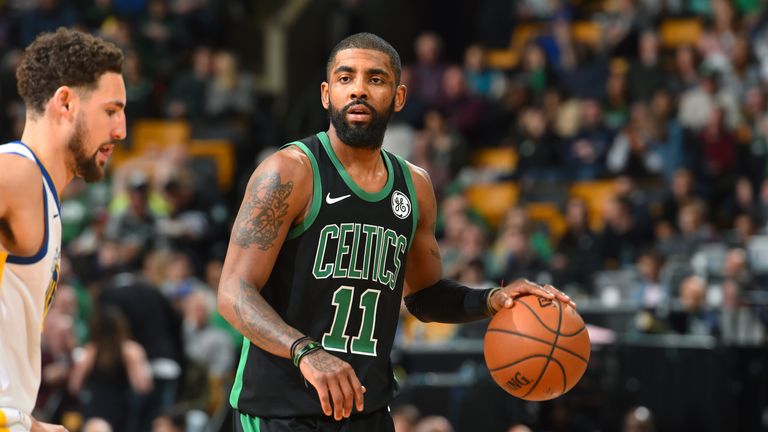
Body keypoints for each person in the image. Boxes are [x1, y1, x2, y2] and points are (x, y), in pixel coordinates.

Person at [217, 32, 574, 431]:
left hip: (366, 412)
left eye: (376, 79)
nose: (358, 90)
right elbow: (234, 292)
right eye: (345, 78)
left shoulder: (415, 186)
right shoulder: (289, 172)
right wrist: (305, 352)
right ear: (325, 93)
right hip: (281, 410)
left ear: (398, 96)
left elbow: (423, 296)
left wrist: (493, 299)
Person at [0, 27, 126, 432]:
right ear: (66, 102)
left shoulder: (41, 195)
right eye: (111, 111)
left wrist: (29, 423)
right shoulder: (16, 172)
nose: (122, 130)